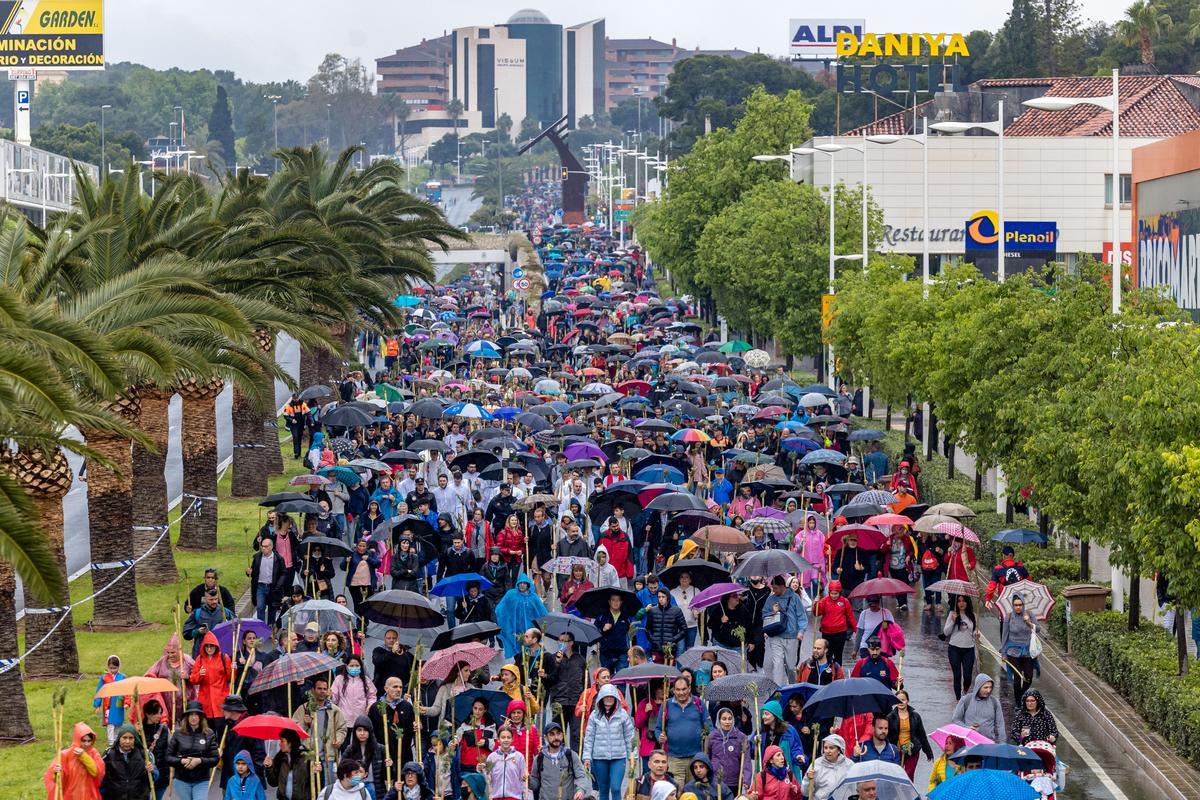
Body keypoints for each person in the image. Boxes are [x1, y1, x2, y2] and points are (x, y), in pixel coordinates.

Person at [582, 684, 637, 800]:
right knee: (603, 789)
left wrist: (633, 756)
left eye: (611, 696)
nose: (609, 699)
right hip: (599, 757)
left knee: (616, 788)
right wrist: (587, 757)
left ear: (616, 697)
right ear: (601, 698)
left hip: (618, 757)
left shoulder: (623, 715)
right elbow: (589, 737)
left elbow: (630, 736)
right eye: (606, 696)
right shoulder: (594, 716)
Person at [655, 676, 709, 784]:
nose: (681, 693)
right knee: (675, 791)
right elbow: (657, 728)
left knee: (693, 792)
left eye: (684, 689)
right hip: (674, 758)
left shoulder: (698, 703)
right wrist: (659, 737)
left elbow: (708, 726)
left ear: (689, 688)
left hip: (695, 758)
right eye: (678, 690)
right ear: (673, 690)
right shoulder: (666, 705)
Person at [541, 632, 587, 749]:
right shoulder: (552, 658)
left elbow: (586, 681)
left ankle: (576, 761)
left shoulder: (580, 659)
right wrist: (557, 662)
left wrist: (585, 700)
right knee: (557, 735)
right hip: (558, 701)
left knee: (577, 735)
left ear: (571, 643)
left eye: (564, 641)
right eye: (560, 640)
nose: (561, 643)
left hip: (576, 702)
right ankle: (559, 760)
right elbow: (549, 680)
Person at [529, 720, 594, 800]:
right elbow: (535, 784)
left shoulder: (571, 755)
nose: (556, 737)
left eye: (558, 734)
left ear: (562, 735)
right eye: (552, 734)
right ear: (545, 737)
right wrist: (528, 780)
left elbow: (581, 776)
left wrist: (580, 790)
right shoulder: (539, 758)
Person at [166, 701, 218, 800]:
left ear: (201, 717)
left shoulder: (209, 733)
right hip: (182, 780)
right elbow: (168, 757)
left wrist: (199, 761)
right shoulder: (178, 733)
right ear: (187, 717)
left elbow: (215, 759)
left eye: (196, 715)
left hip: (201, 780)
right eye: (191, 715)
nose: (193, 717)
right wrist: (181, 761)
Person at [762, 576, 806, 687]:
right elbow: (764, 615)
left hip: (791, 636)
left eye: (776, 588)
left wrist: (801, 631)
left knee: (791, 666)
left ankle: (793, 687)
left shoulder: (794, 597)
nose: (774, 590)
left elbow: (801, 616)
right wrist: (772, 612)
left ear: (782, 586)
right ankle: (778, 690)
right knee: (777, 664)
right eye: (772, 588)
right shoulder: (771, 599)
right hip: (776, 636)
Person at [495, 573, 549, 658]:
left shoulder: (533, 597)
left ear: (528, 584)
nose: (522, 585)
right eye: (520, 583)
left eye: (524, 583)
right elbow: (501, 608)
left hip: (530, 628)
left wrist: (544, 624)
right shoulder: (511, 594)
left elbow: (541, 611)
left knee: (531, 650)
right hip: (516, 628)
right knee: (518, 649)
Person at [99, 723, 155, 800]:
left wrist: (152, 771)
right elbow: (102, 780)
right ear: (119, 738)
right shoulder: (109, 755)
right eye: (124, 738)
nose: (127, 741)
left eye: (131, 738)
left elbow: (154, 777)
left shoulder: (144, 754)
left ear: (135, 739)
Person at [885, 690, 931, 780]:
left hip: (912, 750)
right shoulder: (890, 717)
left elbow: (921, 735)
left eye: (903, 699)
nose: (901, 702)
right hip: (896, 751)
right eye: (898, 700)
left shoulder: (915, 716)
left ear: (907, 701)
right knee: (897, 776)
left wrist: (928, 752)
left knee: (908, 775)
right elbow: (887, 736)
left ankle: (909, 793)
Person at [1001, 593, 1038, 704]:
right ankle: (1018, 703)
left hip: (1028, 651)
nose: (1018, 607)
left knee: (1028, 677)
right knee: (1017, 678)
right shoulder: (1009, 617)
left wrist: (1029, 623)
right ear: (1013, 605)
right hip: (1013, 651)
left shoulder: (1029, 614)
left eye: (1020, 605)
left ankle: (1022, 695)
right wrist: (1003, 653)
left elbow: (1039, 629)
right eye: (1016, 605)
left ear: (1023, 604)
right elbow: (1004, 635)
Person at [189, 631, 233, 724]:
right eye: (207, 646)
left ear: (216, 646)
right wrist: (199, 674)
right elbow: (193, 679)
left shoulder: (224, 658)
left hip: (220, 699)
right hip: (206, 701)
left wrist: (234, 669)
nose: (209, 649)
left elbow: (230, 678)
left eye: (211, 646)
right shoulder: (199, 659)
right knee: (208, 730)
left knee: (221, 728)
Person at [706, 706, 750, 795]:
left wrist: (746, 780)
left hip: (734, 781)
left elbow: (746, 761)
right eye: (724, 719)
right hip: (716, 780)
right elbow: (707, 757)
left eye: (730, 719)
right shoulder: (712, 737)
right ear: (719, 720)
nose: (727, 722)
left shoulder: (741, 737)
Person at [943, 595, 979, 700]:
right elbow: (946, 632)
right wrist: (953, 621)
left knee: (968, 676)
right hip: (954, 649)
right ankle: (959, 699)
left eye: (963, 601)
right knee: (957, 675)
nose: (961, 603)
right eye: (959, 601)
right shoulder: (952, 614)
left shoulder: (973, 615)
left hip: (969, 649)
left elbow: (973, 633)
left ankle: (964, 692)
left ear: (967, 602)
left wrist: (976, 636)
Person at [951, 674, 1004, 743]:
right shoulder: (966, 700)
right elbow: (955, 719)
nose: (988, 690)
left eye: (990, 687)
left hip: (988, 744)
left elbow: (1000, 725)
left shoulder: (995, 702)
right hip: (969, 743)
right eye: (985, 687)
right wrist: (966, 728)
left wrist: (1002, 744)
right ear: (978, 687)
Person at [812, 582, 855, 665]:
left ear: (840, 592)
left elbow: (850, 617)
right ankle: (827, 673)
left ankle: (838, 673)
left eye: (836, 593)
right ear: (829, 592)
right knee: (827, 654)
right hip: (827, 633)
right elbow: (817, 613)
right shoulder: (824, 601)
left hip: (840, 633)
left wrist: (856, 629)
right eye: (832, 593)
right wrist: (816, 604)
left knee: (838, 655)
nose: (834, 595)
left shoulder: (845, 601)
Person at [183, 589, 235, 657]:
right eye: (211, 599)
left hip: (220, 652)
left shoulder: (225, 612)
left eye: (216, 599)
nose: (214, 602)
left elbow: (235, 627)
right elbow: (186, 634)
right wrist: (197, 631)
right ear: (205, 599)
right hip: (201, 653)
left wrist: (227, 627)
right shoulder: (197, 613)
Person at [758, 701, 804, 777]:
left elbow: (796, 748)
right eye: (763, 714)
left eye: (766, 714)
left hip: (784, 774)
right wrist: (755, 743)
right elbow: (753, 752)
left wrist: (798, 756)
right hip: (766, 775)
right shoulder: (761, 731)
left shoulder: (789, 731)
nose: (763, 717)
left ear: (775, 715)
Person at [266, 729, 315, 800]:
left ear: (290, 743)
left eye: (282, 741)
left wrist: (318, 771)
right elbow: (273, 782)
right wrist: (269, 767)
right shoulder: (280, 758)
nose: (280, 744)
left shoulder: (307, 757)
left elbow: (316, 782)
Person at [332, 656, 377, 732]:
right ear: (346, 666)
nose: (354, 668)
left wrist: (370, 705)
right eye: (351, 666)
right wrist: (330, 695)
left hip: (361, 718)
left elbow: (372, 696)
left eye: (357, 666)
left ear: (361, 667)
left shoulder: (366, 680)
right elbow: (334, 699)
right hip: (344, 719)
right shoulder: (339, 679)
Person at [94, 654, 129, 746]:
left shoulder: (122, 677)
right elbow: (100, 690)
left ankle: (117, 741)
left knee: (118, 724)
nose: (113, 670)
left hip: (118, 703)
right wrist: (97, 705)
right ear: (108, 667)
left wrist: (127, 702)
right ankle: (111, 743)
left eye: (115, 668)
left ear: (119, 667)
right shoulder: (104, 678)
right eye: (111, 668)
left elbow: (127, 691)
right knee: (110, 724)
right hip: (108, 705)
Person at [801, 734, 850, 800]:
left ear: (839, 749)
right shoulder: (816, 764)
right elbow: (805, 793)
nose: (827, 751)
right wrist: (808, 779)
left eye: (831, 748)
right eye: (825, 748)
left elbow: (854, 789)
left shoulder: (849, 765)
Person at [595, 592, 634, 672]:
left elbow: (632, 634)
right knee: (607, 681)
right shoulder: (602, 616)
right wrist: (603, 629)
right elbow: (594, 632)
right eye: (613, 600)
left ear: (621, 602)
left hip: (622, 653)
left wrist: (631, 650)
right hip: (606, 653)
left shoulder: (626, 617)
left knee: (621, 680)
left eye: (618, 600)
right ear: (609, 602)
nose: (615, 603)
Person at [645, 588, 687, 662]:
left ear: (668, 597)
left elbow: (684, 629)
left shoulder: (676, 611)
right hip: (656, 648)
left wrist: (673, 639)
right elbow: (648, 628)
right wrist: (652, 639)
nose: (661, 599)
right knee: (656, 671)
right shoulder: (652, 611)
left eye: (663, 597)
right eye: (659, 597)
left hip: (670, 649)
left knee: (669, 672)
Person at [484, 728, 527, 800]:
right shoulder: (492, 757)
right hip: (496, 797)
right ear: (498, 739)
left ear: (512, 739)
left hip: (514, 797)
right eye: (503, 737)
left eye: (508, 737)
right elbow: (488, 780)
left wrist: (525, 797)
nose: (506, 740)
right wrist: (482, 770)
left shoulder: (519, 757)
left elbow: (523, 780)